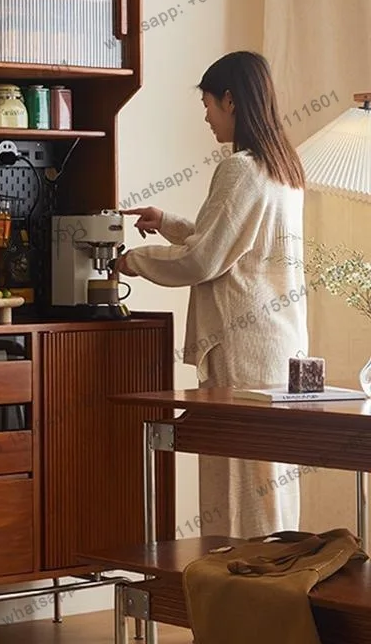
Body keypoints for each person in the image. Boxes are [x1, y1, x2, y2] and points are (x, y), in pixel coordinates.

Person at [116, 51, 308, 539]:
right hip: (278, 346)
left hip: (241, 349)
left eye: (208, 104)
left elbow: (205, 260)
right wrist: (170, 223)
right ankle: (275, 595)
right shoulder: (283, 168)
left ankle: (234, 603)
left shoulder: (240, 169)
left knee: (237, 487)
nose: (205, 116)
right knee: (270, 483)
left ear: (230, 99)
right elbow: (234, 243)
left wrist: (131, 260)